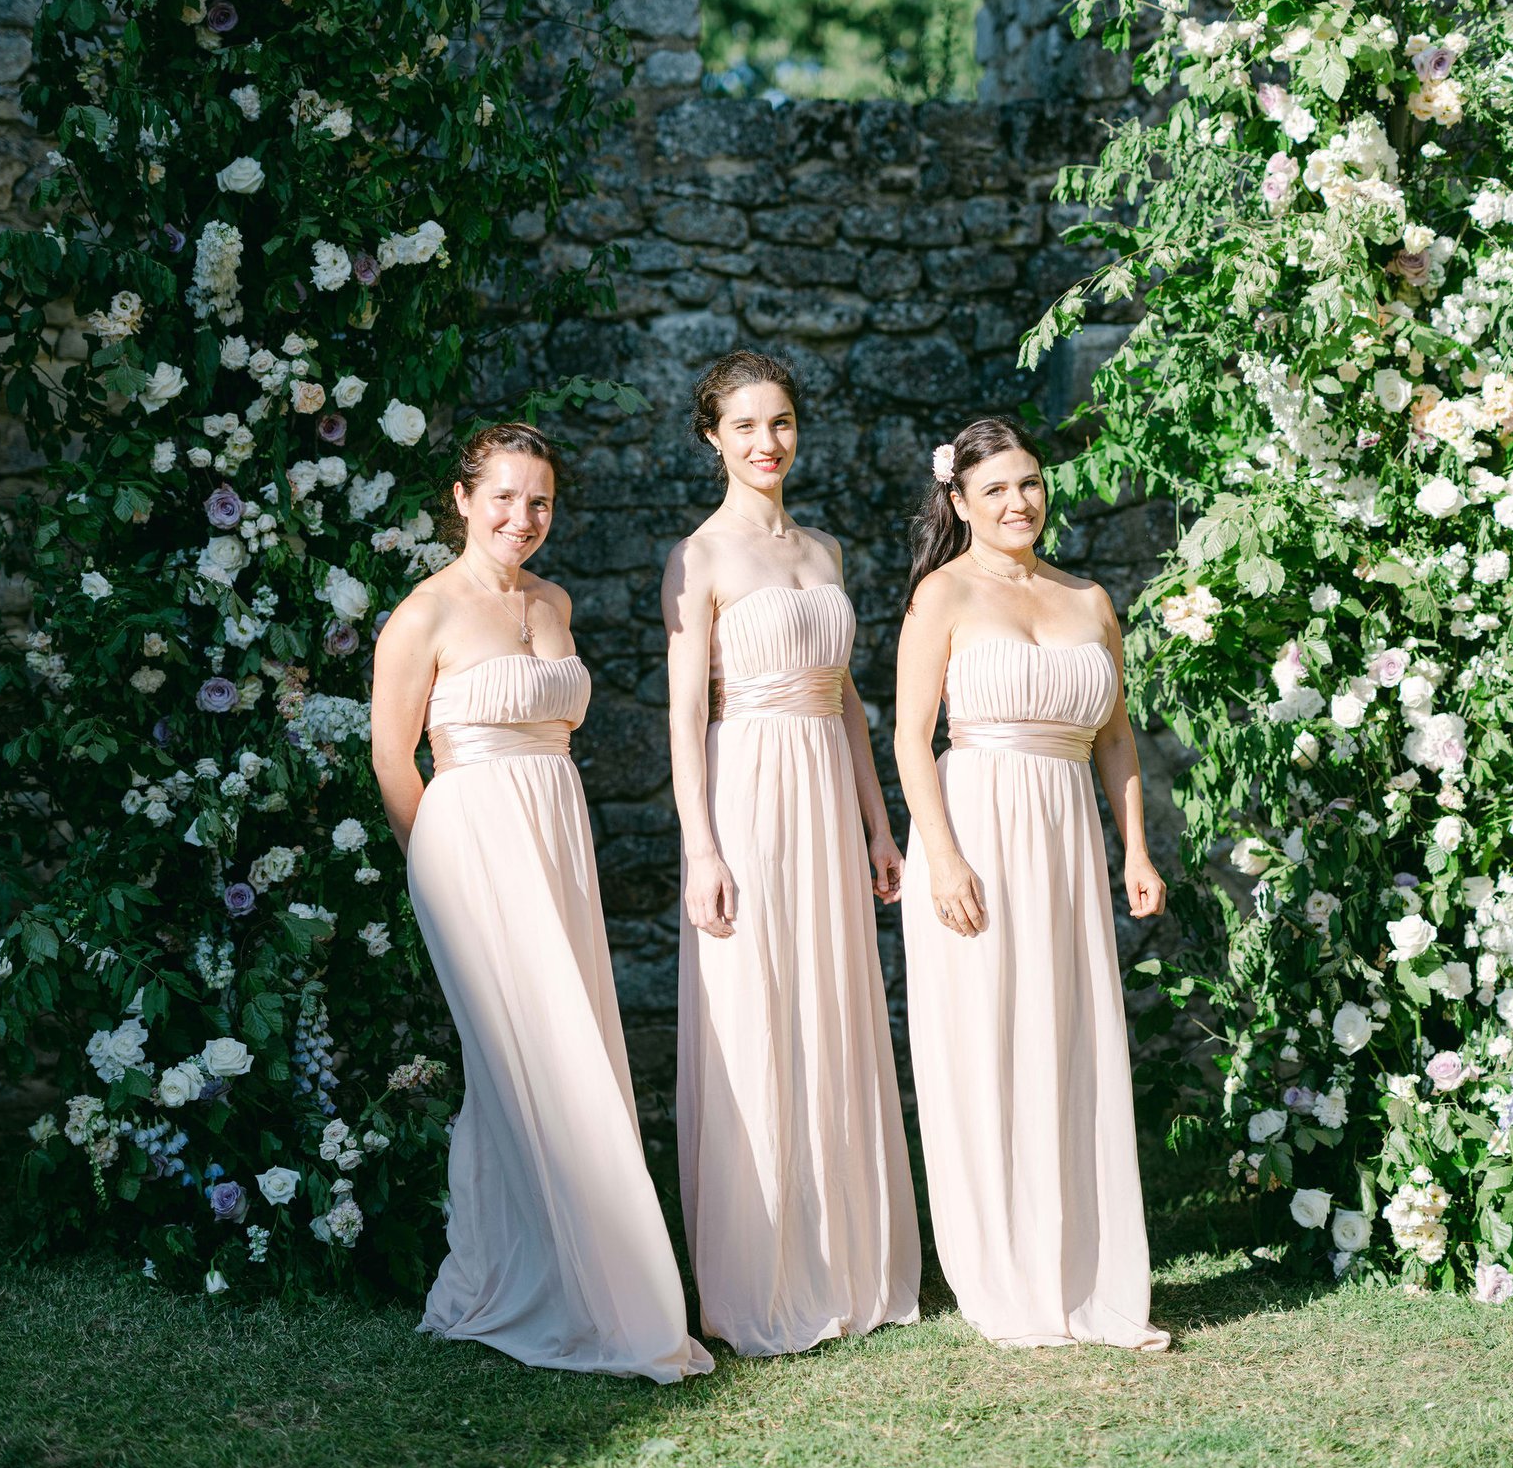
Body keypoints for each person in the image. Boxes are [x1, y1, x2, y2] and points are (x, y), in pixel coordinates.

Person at [372, 421, 712, 1383]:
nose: (523, 518)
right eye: (506, 497)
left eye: (541, 502)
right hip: (471, 846)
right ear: (463, 497)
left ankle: (516, 1273)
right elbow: (393, 759)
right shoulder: (424, 615)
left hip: (555, 834)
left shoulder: (554, 601)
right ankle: (596, 1291)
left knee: (575, 1044)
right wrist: (438, 863)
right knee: (525, 1057)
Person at [663, 349, 920, 1356]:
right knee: (757, 1008)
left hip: (824, 784)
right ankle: (759, 1272)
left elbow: (847, 697)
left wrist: (878, 822)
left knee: (834, 1004)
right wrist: (701, 847)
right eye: (745, 427)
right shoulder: (700, 558)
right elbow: (687, 712)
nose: (766, 443)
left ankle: (848, 1258)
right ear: (712, 440)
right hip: (750, 788)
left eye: (780, 424)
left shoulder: (824, 553)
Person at [894, 417, 1170, 1353]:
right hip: (976, 825)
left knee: (1072, 1036)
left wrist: (1134, 850)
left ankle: (1088, 1274)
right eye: (997, 489)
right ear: (961, 502)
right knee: (988, 1038)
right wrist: (942, 856)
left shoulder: (1089, 599)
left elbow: (1118, 738)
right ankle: (1004, 1272)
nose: (1019, 502)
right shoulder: (942, 595)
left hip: (1063, 837)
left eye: (1031, 483)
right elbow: (908, 738)